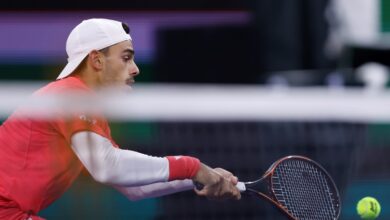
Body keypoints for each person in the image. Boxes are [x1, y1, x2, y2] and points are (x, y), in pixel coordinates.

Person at [0, 18, 241, 220]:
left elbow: (135, 188)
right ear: (96, 60)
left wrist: (197, 179)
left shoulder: (86, 112)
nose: (135, 69)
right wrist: (193, 167)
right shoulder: (70, 96)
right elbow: (107, 168)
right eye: (126, 58)